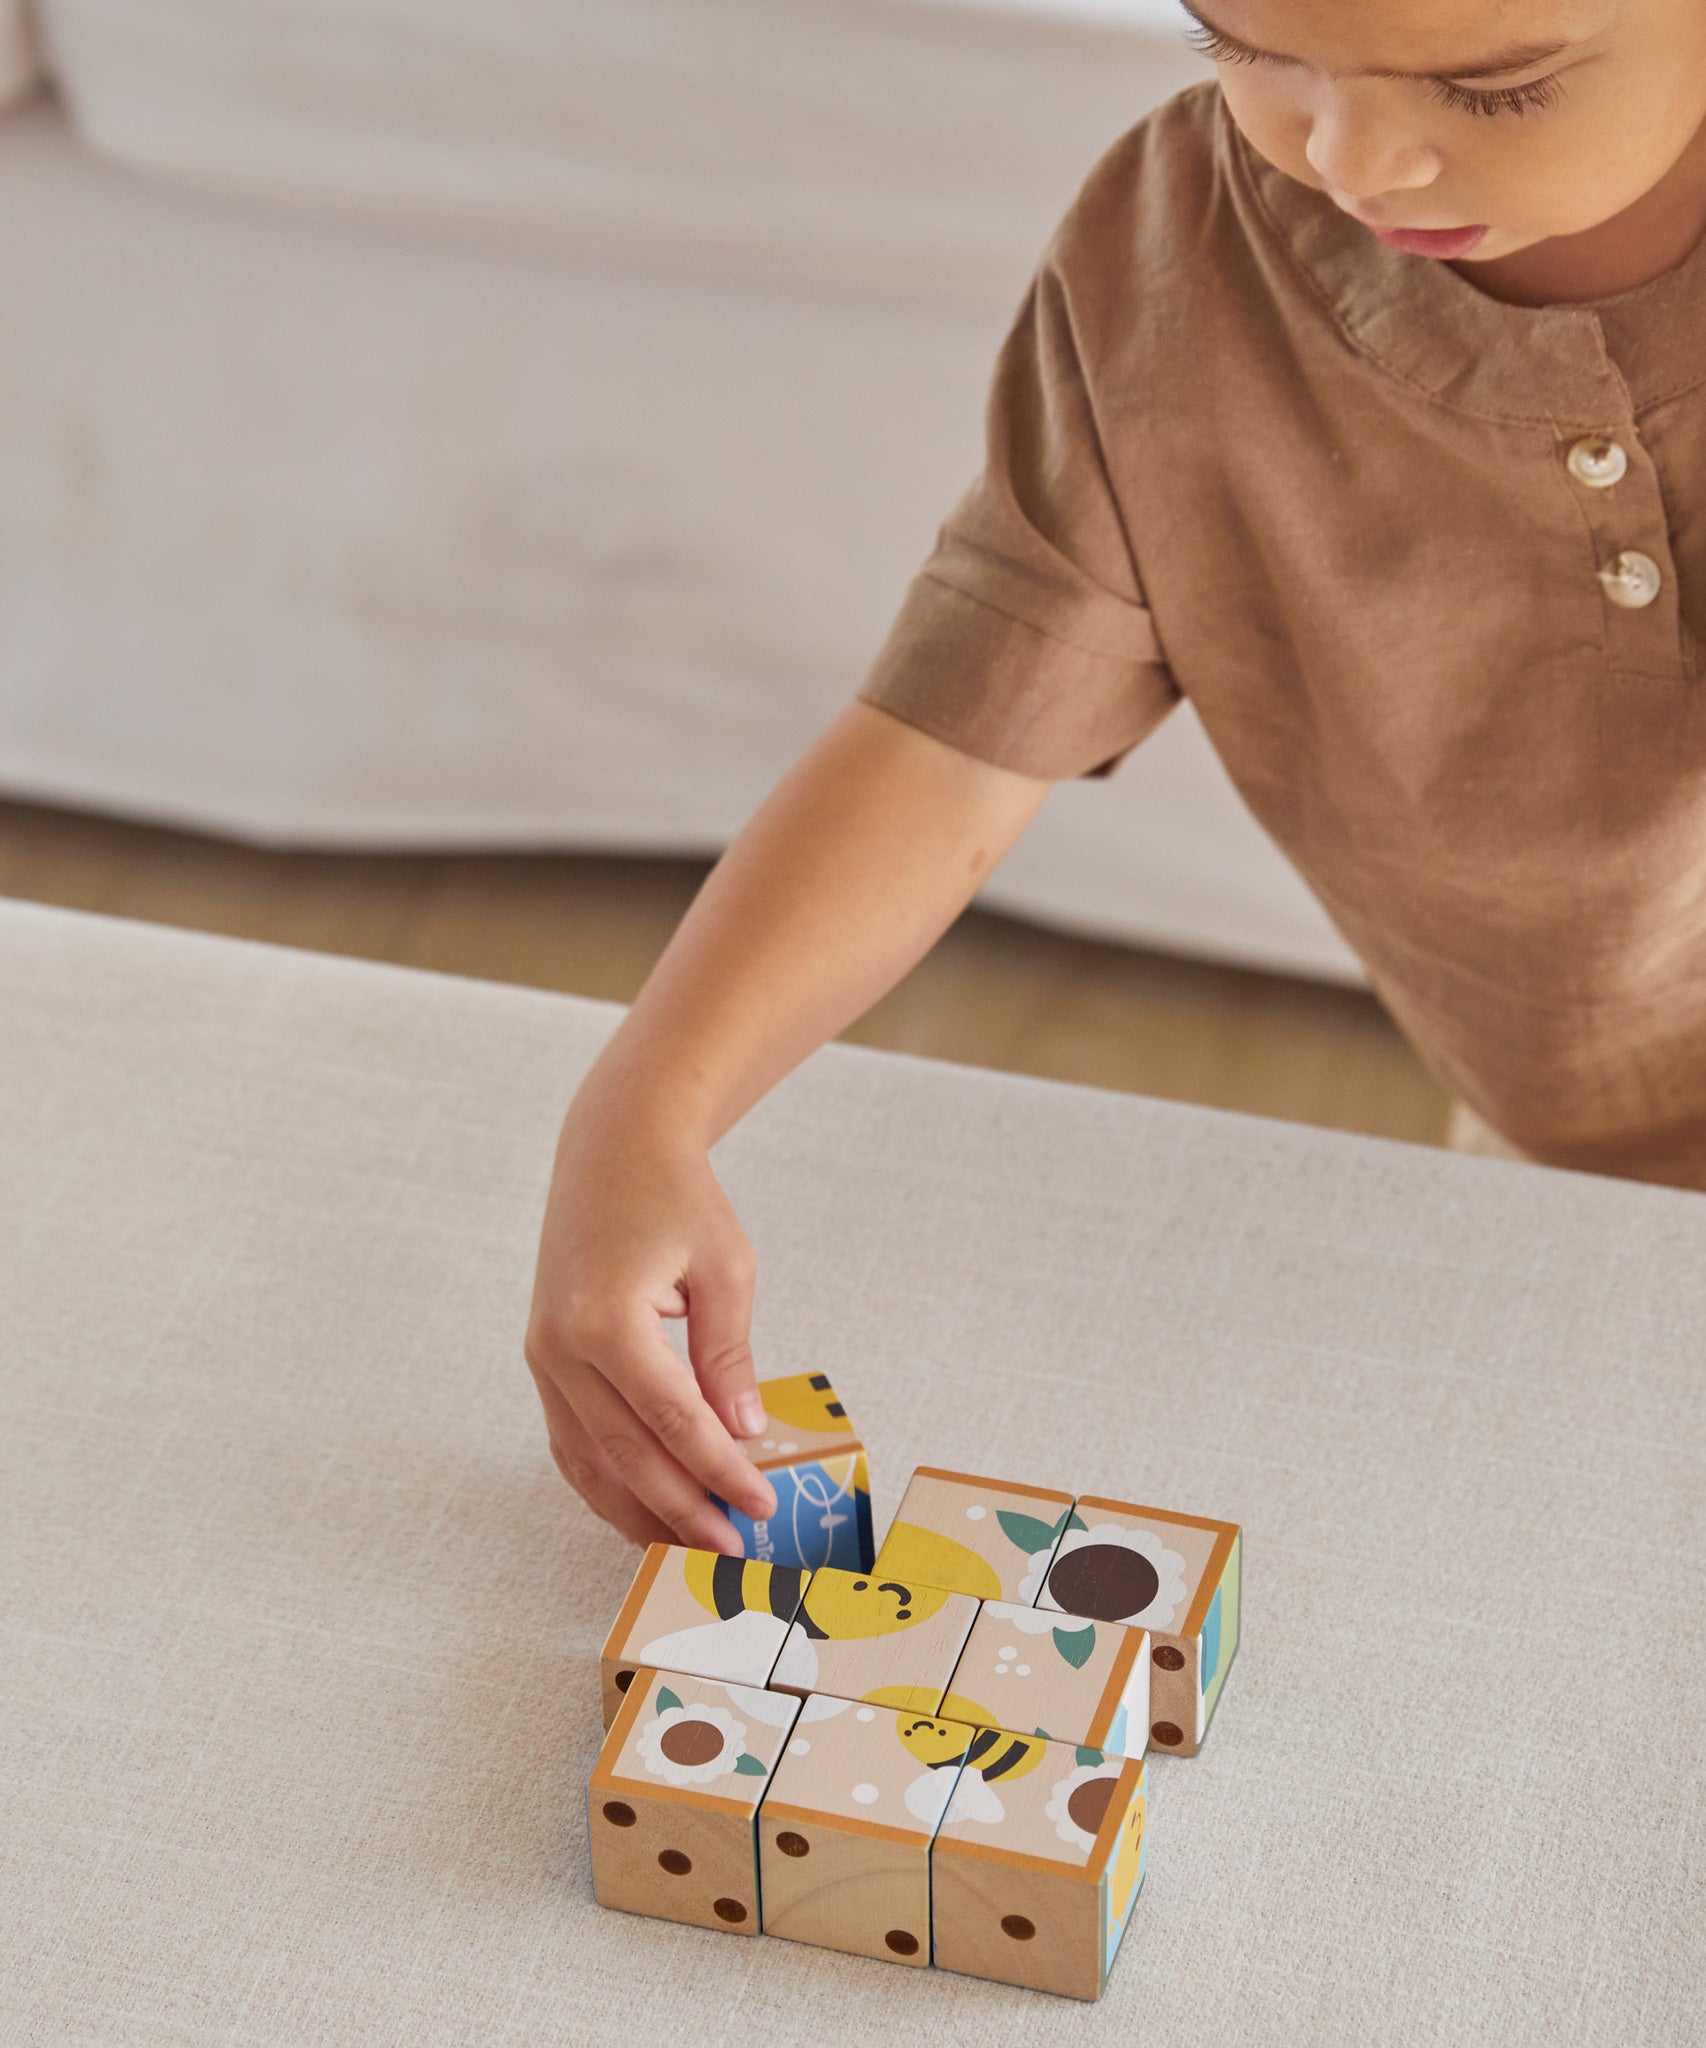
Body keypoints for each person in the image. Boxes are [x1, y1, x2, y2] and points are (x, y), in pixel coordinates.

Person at [527, 0, 1706, 1554]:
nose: (1347, 156)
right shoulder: (1178, 261)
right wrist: (642, 1113)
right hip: (1558, 1147)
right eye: (1246, 49)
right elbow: (950, 741)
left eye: (1500, 86)